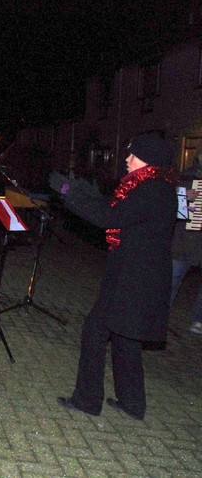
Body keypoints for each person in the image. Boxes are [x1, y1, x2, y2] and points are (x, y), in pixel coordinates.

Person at [57, 132, 177, 420]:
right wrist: (86, 193)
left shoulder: (150, 190)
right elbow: (117, 210)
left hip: (134, 277)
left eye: (132, 155)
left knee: (95, 330)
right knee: (125, 336)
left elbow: (109, 218)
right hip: (139, 275)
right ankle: (133, 404)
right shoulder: (153, 186)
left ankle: (87, 400)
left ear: (147, 159)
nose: (126, 159)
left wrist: (70, 194)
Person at [167, 146, 202, 334]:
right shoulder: (186, 177)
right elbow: (173, 206)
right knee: (173, 278)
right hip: (185, 239)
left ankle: (199, 319)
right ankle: (161, 313)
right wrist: (187, 203)